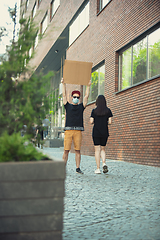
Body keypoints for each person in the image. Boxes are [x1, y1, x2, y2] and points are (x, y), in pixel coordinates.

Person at [61, 77, 91, 174]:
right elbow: (64, 95)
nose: (76, 98)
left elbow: (86, 96)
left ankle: (78, 168)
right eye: (74, 97)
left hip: (78, 131)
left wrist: (88, 86)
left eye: (77, 97)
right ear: (71, 97)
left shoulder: (81, 107)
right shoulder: (67, 105)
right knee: (66, 150)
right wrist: (63, 84)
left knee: (78, 150)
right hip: (68, 131)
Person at [90, 95, 113, 174]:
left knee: (97, 150)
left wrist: (95, 120)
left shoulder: (94, 111)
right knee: (103, 149)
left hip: (96, 132)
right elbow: (110, 122)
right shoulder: (108, 111)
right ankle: (104, 163)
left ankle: (98, 168)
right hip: (105, 132)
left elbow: (91, 121)